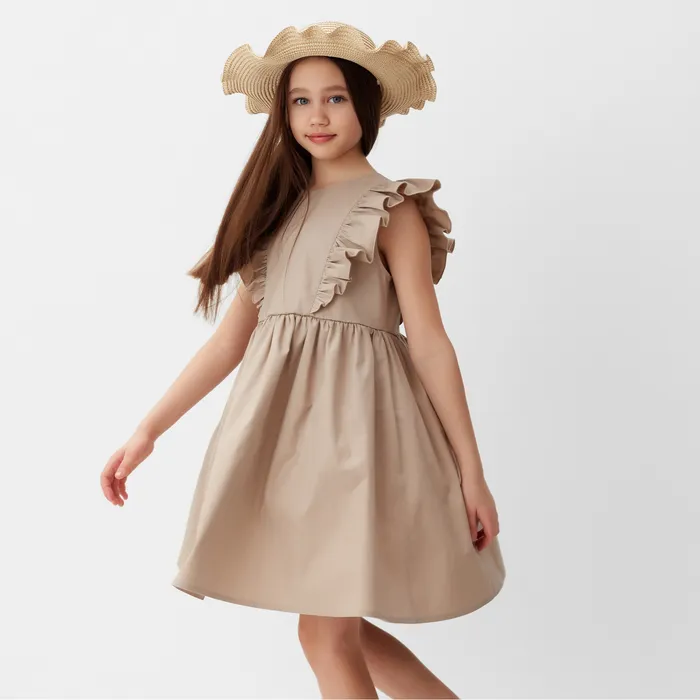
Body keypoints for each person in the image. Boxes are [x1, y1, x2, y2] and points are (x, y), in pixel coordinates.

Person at [100, 21, 506, 699]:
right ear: (284, 113)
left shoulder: (391, 208)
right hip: (287, 446)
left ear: (365, 107)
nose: (317, 116)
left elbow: (431, 343)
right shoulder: (277, 213)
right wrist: (148, 430)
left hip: (358, 441)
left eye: (336, 98)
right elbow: (229, 343)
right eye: (301, 101)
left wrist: (473, 473)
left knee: (323, 634)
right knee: (335, 630)